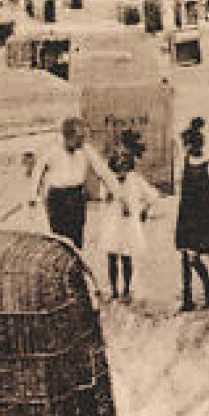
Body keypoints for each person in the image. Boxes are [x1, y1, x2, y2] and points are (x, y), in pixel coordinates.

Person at [29, 117, 118, 251]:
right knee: (59, 239)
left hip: (76, 196)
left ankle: (74, 268)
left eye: (84, 137)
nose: (83, 141)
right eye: (80, 137)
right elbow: (37, 172)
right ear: (68, 136)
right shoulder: (51, 150)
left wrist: (117, 191)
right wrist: (32, 196)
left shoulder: (86, 150)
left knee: (77, 237)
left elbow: (103, 170)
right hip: (57, 198)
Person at [94, 133, 156, 304]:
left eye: (124, 169)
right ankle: (114, 289)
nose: (121, 173)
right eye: (117, 169)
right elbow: (102, 199)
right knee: (112, 257)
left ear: (128, 168)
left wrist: (144, 210)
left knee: (127, 257)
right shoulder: (108, 182)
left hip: (127, 225)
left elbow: (152, 196)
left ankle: (126, 288)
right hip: (112, 223)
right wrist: (109, 193)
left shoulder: (135, 180)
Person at [173, 118, 209, 312]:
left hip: (201, 216)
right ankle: (187, 299)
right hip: (186, 214)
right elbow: (180, 186)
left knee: (194, 257)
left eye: (187, 145)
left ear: (195, 145)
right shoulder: (184, 163)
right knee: (185, 257)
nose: (186, 149)